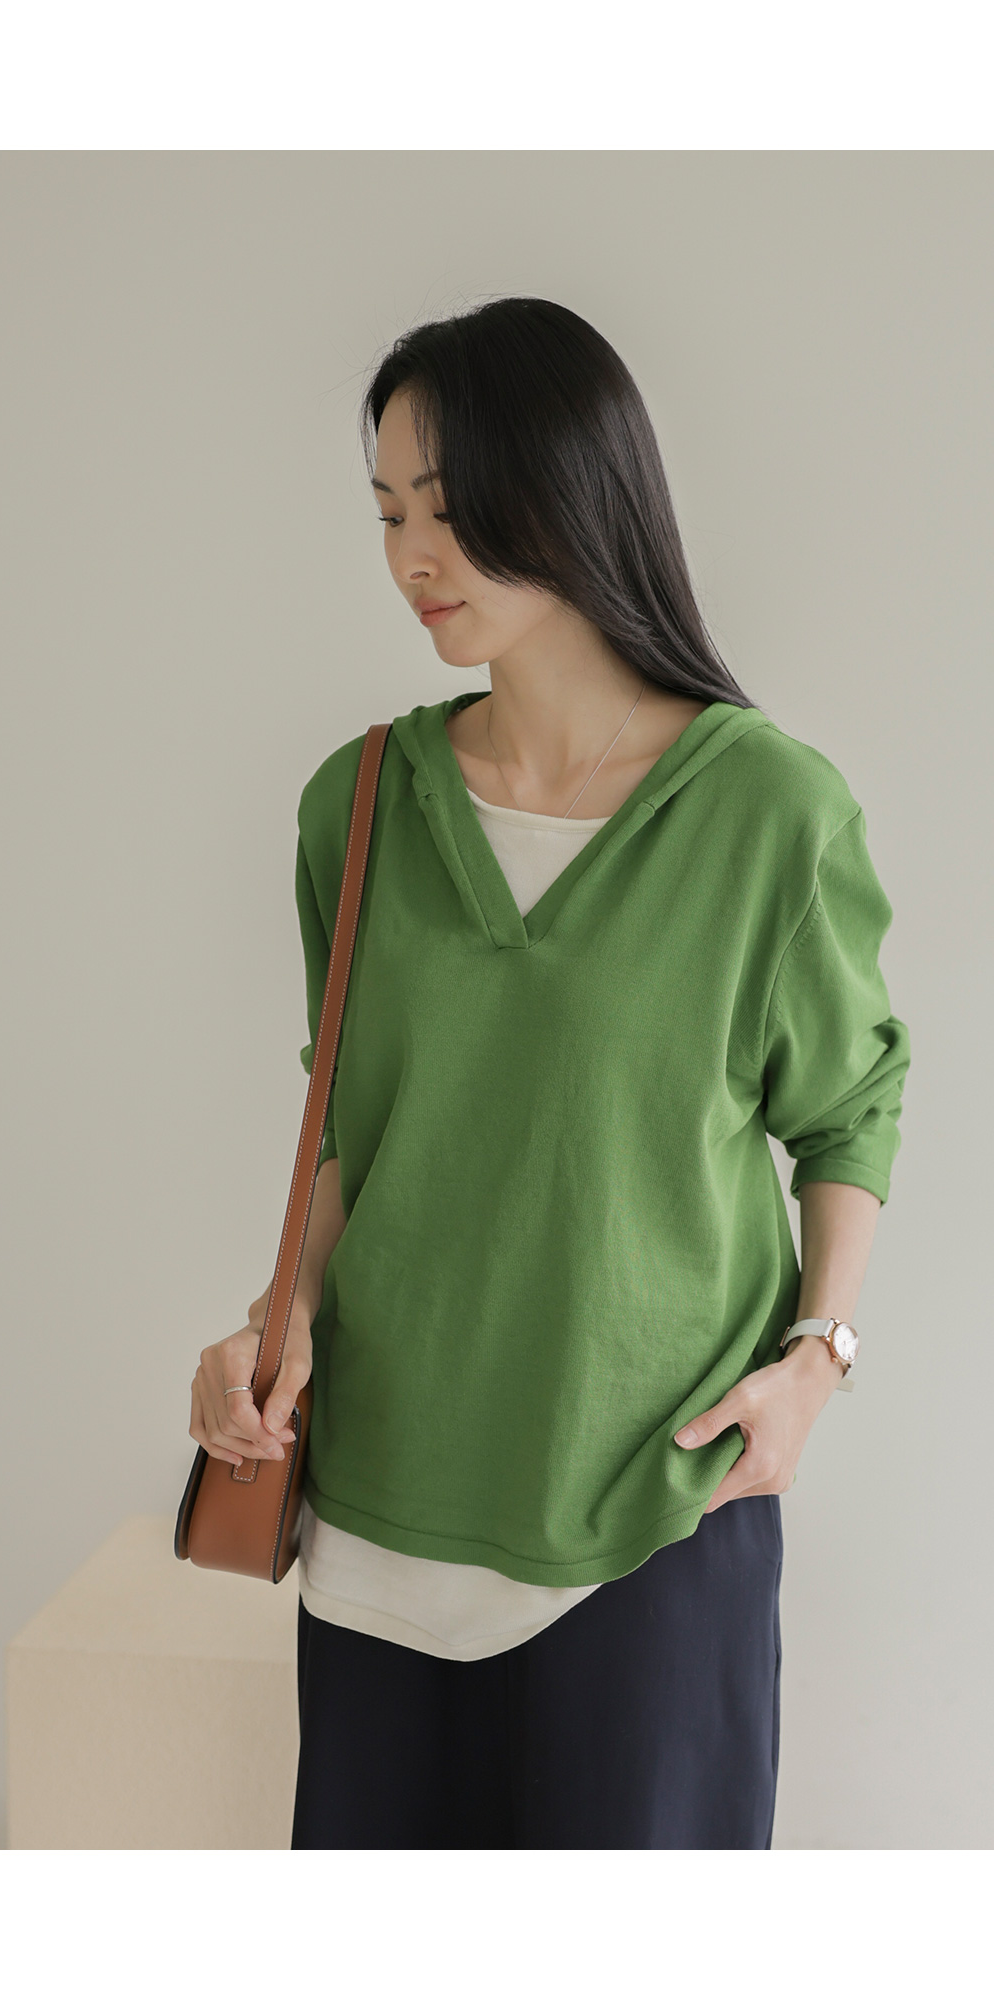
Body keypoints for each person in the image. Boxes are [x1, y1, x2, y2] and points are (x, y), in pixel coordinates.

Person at [188, 296, 911, 1849]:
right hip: (381, 1523)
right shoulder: (358, 803)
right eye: (389, 512)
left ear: (576, 490)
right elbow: (355, 1129)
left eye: (450, 507)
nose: (413, 556)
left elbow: (849, 1113)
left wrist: (817, 1362)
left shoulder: (768, 811)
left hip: (649, 1512)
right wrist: (273, 1325)